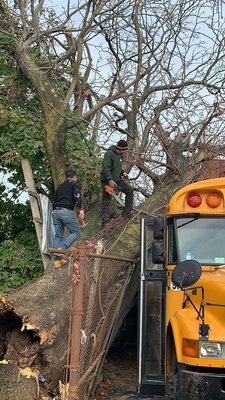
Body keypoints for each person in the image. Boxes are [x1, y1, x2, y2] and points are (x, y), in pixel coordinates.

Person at [52, 169, 85, 268]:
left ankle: (57, 261)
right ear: (74, 177)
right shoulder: (75, 184)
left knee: (58, 236)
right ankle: (62, 250)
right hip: (66, 211)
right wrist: (81, 210)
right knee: (76, 232)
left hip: (55, 212)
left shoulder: (60, 187)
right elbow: (77, 196)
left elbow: (53, 200)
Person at [100, 139, 134, 226]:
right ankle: (105, 221)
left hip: (117, 179)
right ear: (121, 148)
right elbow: (105, 168)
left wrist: (123, 173)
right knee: (106, 200)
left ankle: (127, 212)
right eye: (125, 150)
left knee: (129, 190)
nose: (125, 152)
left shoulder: (120, 156)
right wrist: (109, 180)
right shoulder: (109, 154)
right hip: (107, 180)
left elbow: (117, 167)